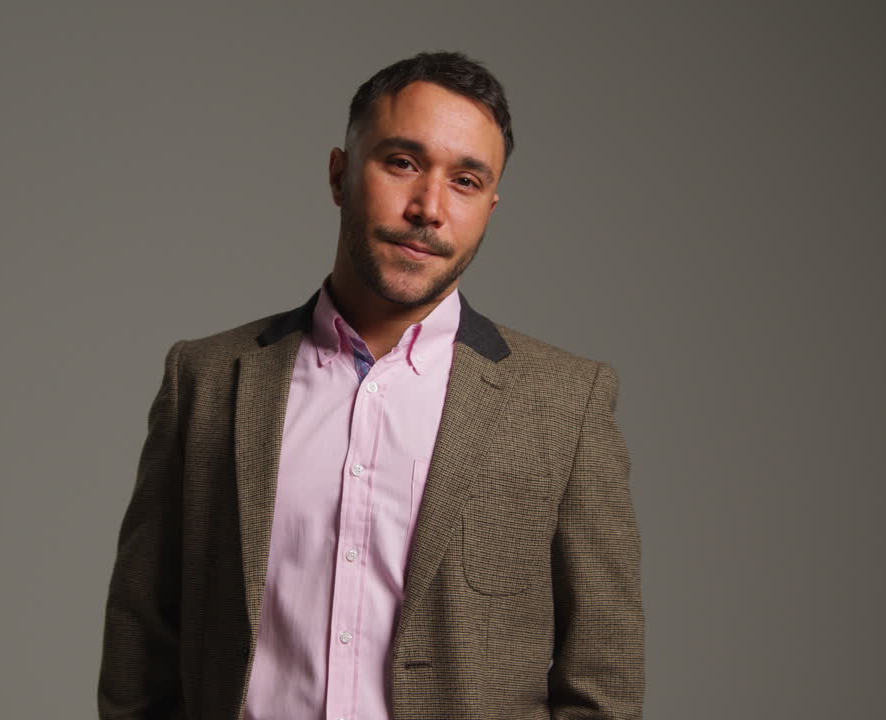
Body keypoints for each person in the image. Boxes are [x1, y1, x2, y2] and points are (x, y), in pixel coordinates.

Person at [97, 51, 643, 720]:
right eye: (403, 163)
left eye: (466, 181)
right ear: (340, 173)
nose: (429, 208)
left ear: (490, 206)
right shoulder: (207, 379)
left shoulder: (566, 403)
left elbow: (603, 675)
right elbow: (142, 638)